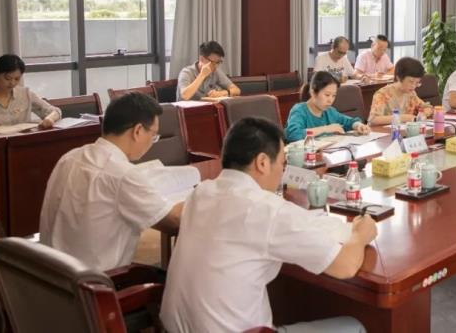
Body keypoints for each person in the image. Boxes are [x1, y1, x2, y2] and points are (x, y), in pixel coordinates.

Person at [160, 117, 376, 333]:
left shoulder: (200, 192)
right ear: (262, 162)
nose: (283, 172)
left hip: (172, 329)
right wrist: (360, 234)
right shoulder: (266, 209)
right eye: (283, 163)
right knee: (355, 327)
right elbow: (345, 266)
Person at [39, 93, 182, 271]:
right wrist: (201, 197)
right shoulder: (122, 174)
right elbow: (174, 220)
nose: (152, 142)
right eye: (153, 135)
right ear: (138, 131)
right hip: (97, 282)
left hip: (50, 275)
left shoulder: (69, 157)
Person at [284, 71, 370, 143]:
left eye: (334, 96)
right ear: (313, 92)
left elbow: (349, 122)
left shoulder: (329, 111)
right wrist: (327, 129)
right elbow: (293, 134)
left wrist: (358, 125)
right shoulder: (299, 111)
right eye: (327, 95)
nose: (330, 100)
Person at [0, 54, 61, 131]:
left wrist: (50, 119)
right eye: (7, 78)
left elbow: (55, 111)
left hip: (23, 138)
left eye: (17, 79)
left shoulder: (25, 94)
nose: (12, 83)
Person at [368, 57, 434, 126]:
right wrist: (401, 118)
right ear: (399, 77)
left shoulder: (411, 93)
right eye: (411, 82)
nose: (414, 86)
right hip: (384, 132)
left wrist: (426, 111)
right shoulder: (383, 94)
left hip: (405, 131)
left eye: (417, 82)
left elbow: (426, 107)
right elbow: (373, 119)